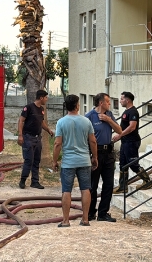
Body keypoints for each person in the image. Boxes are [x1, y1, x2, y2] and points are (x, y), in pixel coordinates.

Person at [53, 94, 98, 227]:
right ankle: (85, 219)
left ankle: (66, 220)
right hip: (84, 160)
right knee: (85, 189)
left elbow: (57, 143)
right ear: (78, 106)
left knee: (66, 190)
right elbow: (93, 141)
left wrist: (55, 160)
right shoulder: (86, 122)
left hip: (68, 162)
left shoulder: (61, 122)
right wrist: (94, 157)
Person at [85, 93, 122, 222]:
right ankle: (90, 212)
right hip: (96, 153)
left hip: (109, 153)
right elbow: (85, 137)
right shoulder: (89, 117)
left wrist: (109, 120)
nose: (109, 104)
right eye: (108, 101)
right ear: (101, 103)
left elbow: (119, 131)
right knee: (93, 185)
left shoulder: (110, 115)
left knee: (108, 184)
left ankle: (103, 213)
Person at [112, 92, 152, 194]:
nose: (120, 101)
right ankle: (123, 186)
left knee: (133, 163)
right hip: (125, 141)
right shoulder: (127, 111)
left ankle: (147, 181)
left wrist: (120, 135)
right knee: (123, 164)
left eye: (121, 99)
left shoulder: (133, 112)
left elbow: (132, 127)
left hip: (131, 141)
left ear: (127, 100)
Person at [17, 89, 54, 189]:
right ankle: (22, 181)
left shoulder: (41, 109)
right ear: (41, 97)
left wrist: (48, 130)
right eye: (46, 97)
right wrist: (20, 135)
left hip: (38, 139)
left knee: (36, 160)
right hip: (28, 137)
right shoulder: (28, 108)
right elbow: (21, 121)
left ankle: (35, 182)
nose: (47, 99)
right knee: (29, 160)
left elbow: (41, 122)